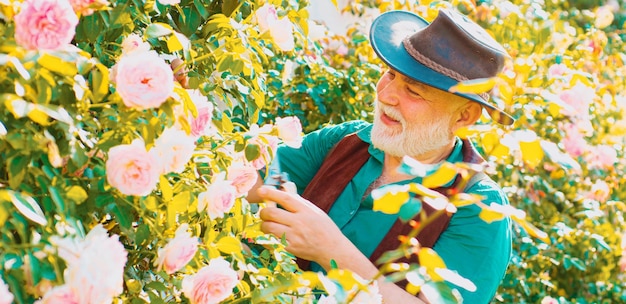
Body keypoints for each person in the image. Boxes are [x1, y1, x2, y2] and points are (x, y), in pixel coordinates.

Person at [249, 8, 515, 304]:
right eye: (390, 74)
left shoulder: (479, 207)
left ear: (464, 116)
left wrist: (331, 250)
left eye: (414, 91)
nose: (386, 95)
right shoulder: (345, 141)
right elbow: (250, 180)